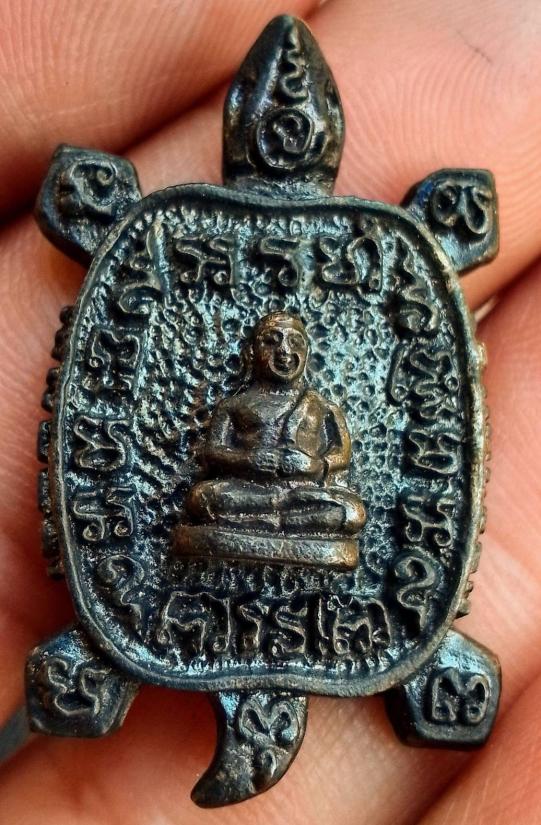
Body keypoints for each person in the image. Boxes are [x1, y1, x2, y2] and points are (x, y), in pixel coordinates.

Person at [1, 2, 540, 823]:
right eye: (273, 346)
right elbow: (213, 455)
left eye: (293, 347)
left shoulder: (317, 404)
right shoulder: (239, 400)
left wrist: (308, 465)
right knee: (211, 499)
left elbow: (337, 460)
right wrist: (255, 461)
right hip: (243, 507)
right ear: (257, 352)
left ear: (304, 355)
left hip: (303, 511)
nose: (283, 356)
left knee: (343, 508)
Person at [183, 311, 365, 547]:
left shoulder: (322, 407)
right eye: (271, 341)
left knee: (353, 512)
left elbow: (342, 454)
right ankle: (281, 520)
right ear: (251, 353)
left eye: (295, 342)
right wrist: (247, 460)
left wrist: (316, 465)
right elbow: (212, 452)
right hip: (249, 492)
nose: (284, 351)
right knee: (200, 499)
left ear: (307, 353)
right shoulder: (233, 405)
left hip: (303, 492)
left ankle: (263, 522)